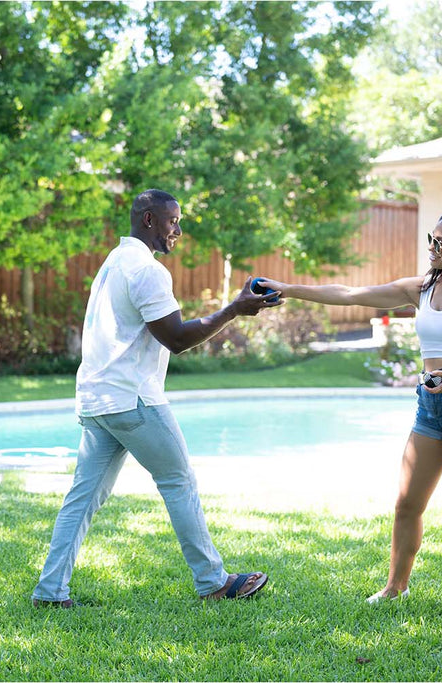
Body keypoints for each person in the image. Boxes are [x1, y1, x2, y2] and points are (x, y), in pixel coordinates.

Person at [257, 209, 442, 619]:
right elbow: (350, 293)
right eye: (431, 238)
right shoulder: (421, 290)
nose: (431, 248)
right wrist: (287, 288)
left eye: (440, 242)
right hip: (429, 406)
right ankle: (396, 587)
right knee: (406, 503)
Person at [31, 189, 283, 607]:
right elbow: (176, 338)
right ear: (149, 220)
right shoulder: (146, 270)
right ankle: (214, 582)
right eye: (172, 221)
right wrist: (233, 310)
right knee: (178, 480)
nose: (178, 230)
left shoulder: (114, 262)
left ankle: (50, 591)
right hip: (133, 399)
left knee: (82, 498)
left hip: (98, 400)